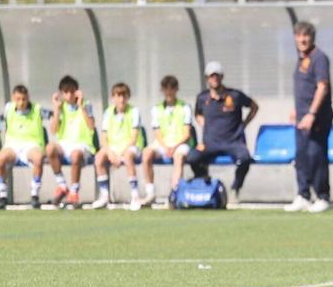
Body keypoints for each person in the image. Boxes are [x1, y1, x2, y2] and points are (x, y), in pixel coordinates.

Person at [188, 61, 259, 207]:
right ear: (207, 78)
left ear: (222, 77)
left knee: (245, 158)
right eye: (211, 76)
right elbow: (197, 113)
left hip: (233, 142)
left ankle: (235, 189)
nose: (214, 78)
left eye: (217, 75)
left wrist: (244, 124)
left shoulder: (235, 95)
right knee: (192, 157)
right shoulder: (202, 98)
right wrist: (203, 123)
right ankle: (204, 181)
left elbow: (254, 106)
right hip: (210, 143)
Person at [285, 21, 333, 214]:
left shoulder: (319, 58)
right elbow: (304, 88)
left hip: (317, 119)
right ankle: (303, 195)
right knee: (302, 157)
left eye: (305, 36)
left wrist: (312, 113)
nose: (302, 39)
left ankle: (322, 196)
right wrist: (297, 110)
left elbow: (322, 87)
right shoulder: (301, 59)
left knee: (316, 155)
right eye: (299, 36)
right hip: (301, 118)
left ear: (312, 38)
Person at [0, 85, 53, 209]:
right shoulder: (8, 108)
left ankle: (34, 194)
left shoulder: (37, 109)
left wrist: (57, 108)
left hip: (32, 145)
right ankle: (2, 194)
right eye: (18, 99)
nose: (21, 102)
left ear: (28, 98)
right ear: (13, 98)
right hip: (13, 145)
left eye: (24, 99)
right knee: (0, 158)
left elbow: (53, 116)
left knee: (38, 158)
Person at [141, 75, 194, 207]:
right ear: (162, 90)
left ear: (177, 89)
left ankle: (174, 194)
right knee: (147, 153)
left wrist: (174, 147)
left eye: (172, 88)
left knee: (179, 156)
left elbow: (187, 134)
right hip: (163, 144)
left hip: (180, 144)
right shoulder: (156, 109)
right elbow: (157, 133)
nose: (169, 92)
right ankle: (150, 193)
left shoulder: (185, 107)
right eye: (166, 88)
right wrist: (165, 147)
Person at [47, 75, 97, 209]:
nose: (69, 95)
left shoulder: (86, 105)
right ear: (62, 93)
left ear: (77, 91)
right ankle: (62, 185)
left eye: (71, 91)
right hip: (64, 145)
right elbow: (53, 130)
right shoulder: (60, 107)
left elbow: (91, 126)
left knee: (76, 155)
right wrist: (56, 109)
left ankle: (74, 192)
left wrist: (81, 106)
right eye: (66, 92)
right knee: (50, 148)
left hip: (83, 145)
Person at [92, 83, 145, 210]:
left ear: (128, 97)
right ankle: (104, 196)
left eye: (124, 96)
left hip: (131, 147)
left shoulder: (134, 111)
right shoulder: (108, 112)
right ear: (113, 97)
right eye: (118, 96)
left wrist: (120, 154)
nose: (121, 99)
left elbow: (133, 138)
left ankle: (135, 196)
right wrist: (110, 153)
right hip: (113, 149)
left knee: (128, 156)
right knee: (99, 158)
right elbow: (104, 137)